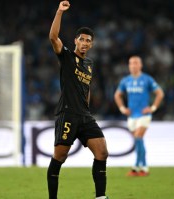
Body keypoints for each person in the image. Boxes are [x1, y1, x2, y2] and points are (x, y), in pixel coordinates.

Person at [48, 1, 108, 199]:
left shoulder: (89, 64)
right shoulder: (65, 56)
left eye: (88, 40)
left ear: (91, 44)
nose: (84, 43)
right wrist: (59, 12)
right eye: (81, 39)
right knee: (60, 157)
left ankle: (100, 197)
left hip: (85, 116)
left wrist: (87, 107)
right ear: (75, 41)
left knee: (102, 152)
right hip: (68, 114)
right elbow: (53, 37)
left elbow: (86, 87)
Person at [114, 56, 164, 176]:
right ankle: (143, 167)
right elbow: (117, 95)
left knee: (137, 137)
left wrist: (152, 108)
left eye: (136, 63)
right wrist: (122, 109)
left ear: (140, 65)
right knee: (138, 141)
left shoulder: (147, 79)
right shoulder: (126, 81)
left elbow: (160, 93)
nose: (133, 65)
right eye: (131, 63)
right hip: (132, 116)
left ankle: (137, 166)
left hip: (144, 115)